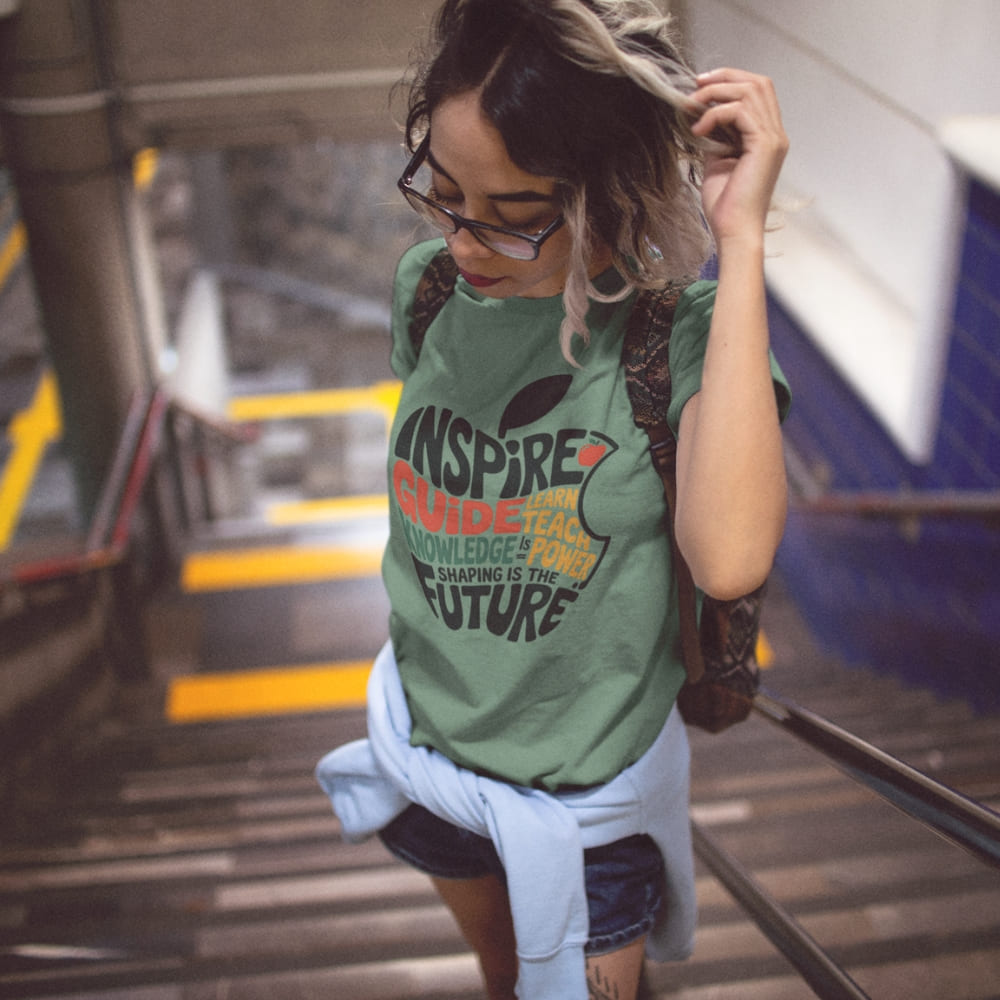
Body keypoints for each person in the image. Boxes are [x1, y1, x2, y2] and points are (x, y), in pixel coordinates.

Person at [316, 1, 790, 997]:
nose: (464, 238)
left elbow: (730, 555)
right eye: (443, 192)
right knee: (503, 974)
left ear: (609, 196)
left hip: (582, 807)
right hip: (430, 754)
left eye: (517, 216)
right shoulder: (429, 292)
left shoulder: (676, 340)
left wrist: (738, 240)